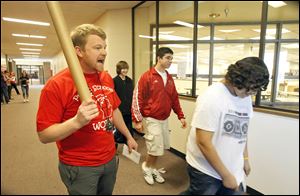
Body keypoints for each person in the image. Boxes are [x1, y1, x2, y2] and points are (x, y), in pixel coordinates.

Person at [36, 24, 138, 195]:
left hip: (109, 158)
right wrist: (77, 122)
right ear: (79, 51)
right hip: (80, 166)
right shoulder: (57, 85)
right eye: (98, 47)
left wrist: (128, 136)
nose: (104, 52)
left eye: (105, 47)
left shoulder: (105, 77)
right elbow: (44, 135)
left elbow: (113, 110)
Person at [181, 57, 270, 195]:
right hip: (206, 170)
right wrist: (226, 176)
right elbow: (203, 141)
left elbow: (242, 130)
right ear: (238, 79)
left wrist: (245, 158)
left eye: (254, 91)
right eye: (249, 90)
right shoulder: (212, 97)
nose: (251, 95)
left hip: (232, 167)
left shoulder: (244, 97)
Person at [131, 47, 187, 185]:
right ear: (159, 58)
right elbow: (137, 98)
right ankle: (146, 167)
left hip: (164, 119)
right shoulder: (147, 76)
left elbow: (174, 98)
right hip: (152, 118)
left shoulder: (168, 78)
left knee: (160, 148)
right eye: (168, 58)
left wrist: (181, 115)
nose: (170, 61)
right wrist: (137, 120)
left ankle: (152, 167)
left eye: (171, 59)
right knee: (154, 148)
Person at [113, 61, 134, 148]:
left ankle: (128, 147)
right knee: (118, 129)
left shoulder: (130, 81)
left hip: (128, 109)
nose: (125, 70)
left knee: (129, 129)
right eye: (123, 69)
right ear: (119, 69)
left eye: (126, 68)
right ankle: (114, 144)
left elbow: (132, 94)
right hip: (119, 109)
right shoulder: (114, 81)